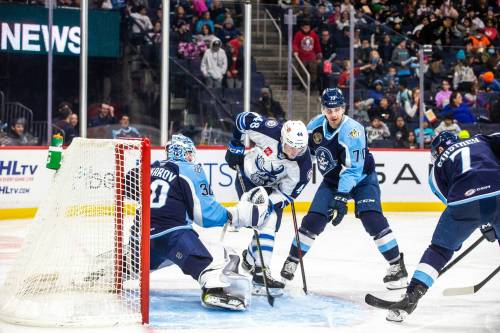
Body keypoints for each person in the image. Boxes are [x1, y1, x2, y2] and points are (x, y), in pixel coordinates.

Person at [280, 88, 408, 290]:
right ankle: (292, 260)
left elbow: (353, 170)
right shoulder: (314, 127)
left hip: (362, 179)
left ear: (343, 108)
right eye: (329, 110)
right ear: (323, 109)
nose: (333, 114)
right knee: (313, 221)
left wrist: (341, 197)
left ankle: (396, 266)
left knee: (372, 219)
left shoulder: (353, 130)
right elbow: (304, 155)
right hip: (332, 181)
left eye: (337, 109)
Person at [128, 134, 271, 311]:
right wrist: (234, 216)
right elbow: (205, 215)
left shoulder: (152, 168)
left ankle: (119, 269)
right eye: (189, 153)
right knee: (211, 261)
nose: (191, 157)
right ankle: (215, 288)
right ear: (182, 153)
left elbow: (129, 185)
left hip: (139, 241)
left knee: (133, 263)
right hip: (172, 237)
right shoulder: (188, 169)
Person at [384, 131, 500, 322]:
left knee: (439, 250)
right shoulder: (481, 139)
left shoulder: (436, 168)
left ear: (439, 149)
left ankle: (411, 297)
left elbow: (452, 201)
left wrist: (480, 222)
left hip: (464, 203)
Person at [224, 114, 312, 295]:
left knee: (269, 221)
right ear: (282, 138)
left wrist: (268, 205)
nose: (294, 153)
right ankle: (259, 271)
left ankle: (251, 261)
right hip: (247, 179)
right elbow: (242, 119)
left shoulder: (303, 167)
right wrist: (236, 144)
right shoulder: (270, 130)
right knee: (266, 221)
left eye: (299, 148)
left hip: (271, 190)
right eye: (291, 147)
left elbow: (286, 195)